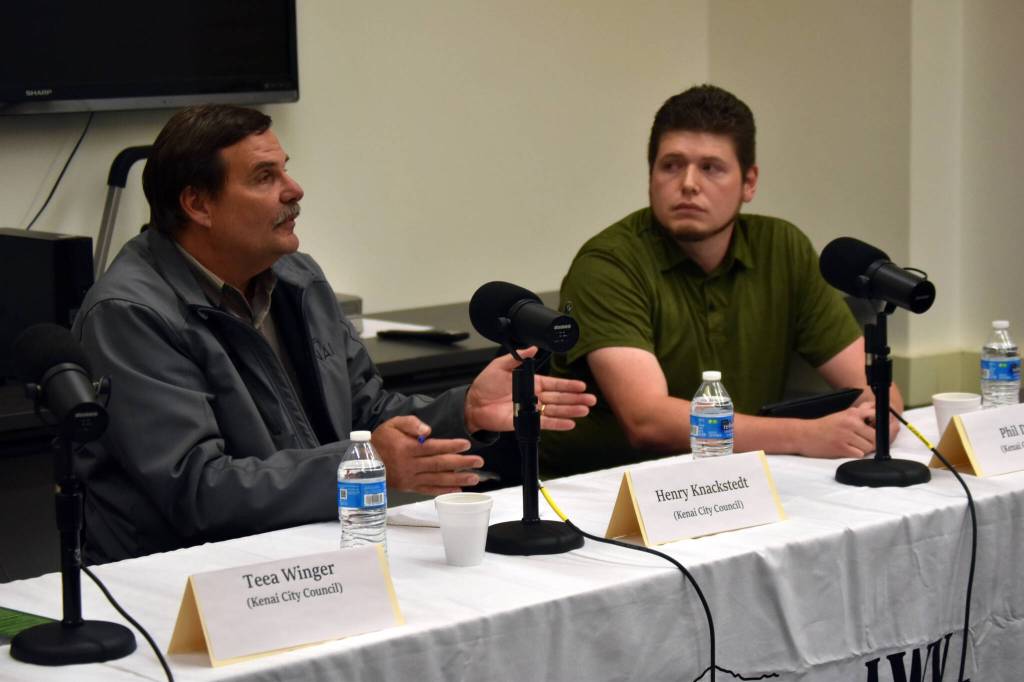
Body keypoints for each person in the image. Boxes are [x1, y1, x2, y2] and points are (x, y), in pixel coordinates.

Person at [72, 104, 594, 563]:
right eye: (263, 177)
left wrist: (464, 411)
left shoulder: (299, 279)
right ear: (198, 205)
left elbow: (365, 415)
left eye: (286, 171)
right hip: (185, 579)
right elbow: (197, 490)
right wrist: (363, 471)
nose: (294, 190)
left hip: (314, 555)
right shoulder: (131, 313)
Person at [541, 84, 901, 477]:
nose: (689, 183)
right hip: (609, 489)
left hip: (733, 477)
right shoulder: (608, 263)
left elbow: (873, 388)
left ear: (749, 182)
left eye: (711, 167)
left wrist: (876, 418)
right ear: (650, 176)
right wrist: (803, 435)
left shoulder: (782, 247)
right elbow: (648, 421)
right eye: (671, 165)